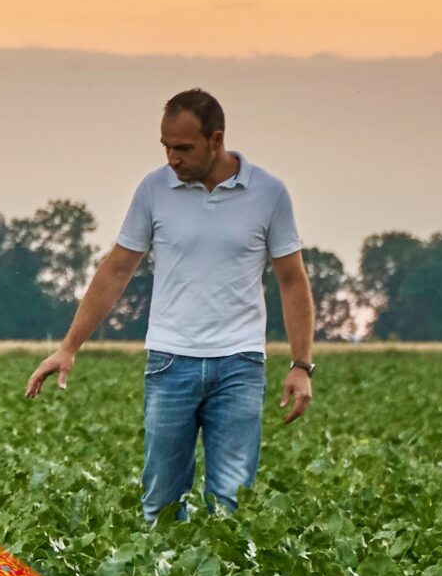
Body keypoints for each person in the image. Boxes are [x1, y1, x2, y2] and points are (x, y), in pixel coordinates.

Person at [23, 87, 313, 519]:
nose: (171, 159)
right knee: (159, 502)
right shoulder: (154, 189)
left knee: (232, 505)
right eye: (165, 147)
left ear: (216, 140)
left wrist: (300, 364)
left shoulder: (268, 192)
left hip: (240, 364)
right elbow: (116, 269)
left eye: (182, 148)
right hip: (169, 362)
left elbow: (292, 281)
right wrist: (68, 347)